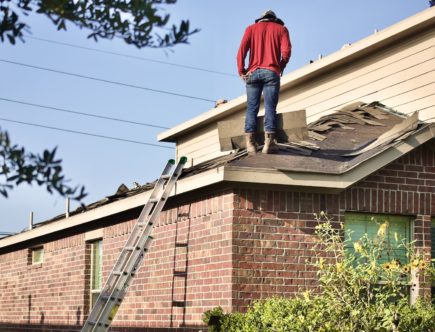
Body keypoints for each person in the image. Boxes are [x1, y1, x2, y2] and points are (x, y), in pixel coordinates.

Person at [237, 10, 291, 154]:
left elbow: (241, 51)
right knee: (270, 107)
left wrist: (241, 71)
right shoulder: (281, 29)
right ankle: (269, 142)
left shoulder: (251, 29)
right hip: (271, 72)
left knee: (251, 108)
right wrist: (280, 66)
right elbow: (286, 52)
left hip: (253, 73)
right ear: (274, 19)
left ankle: (250, 143)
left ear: (260, 19)